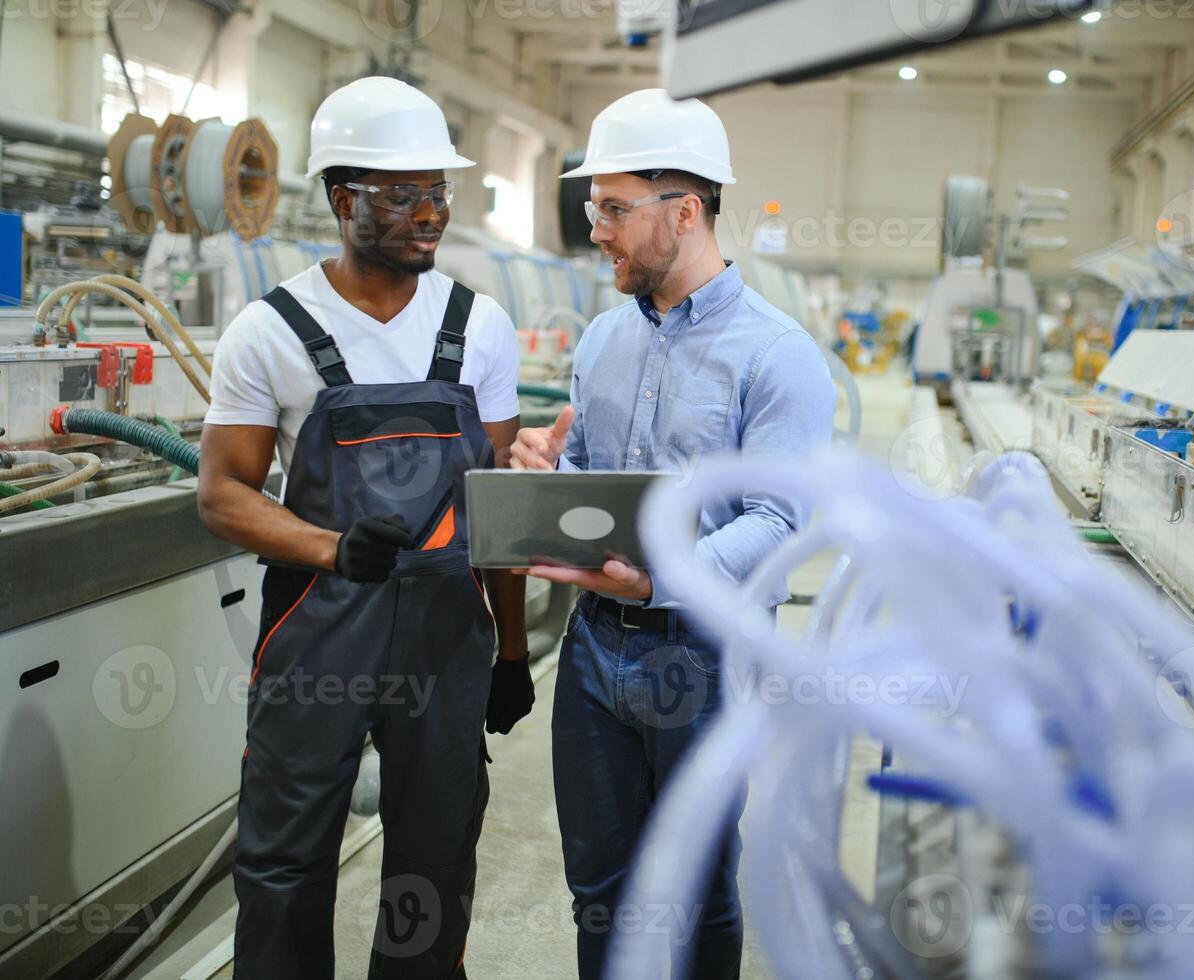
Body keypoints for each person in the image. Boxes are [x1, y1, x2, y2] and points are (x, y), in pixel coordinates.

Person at [197, 77, 534, 979]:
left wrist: (510, 653)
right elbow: (222, 493)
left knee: (434, 853)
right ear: (344, 200)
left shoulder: (480, 326)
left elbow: (495, 506)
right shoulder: (270, 332)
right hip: (320, 632)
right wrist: (328, 548)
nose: (429, 216)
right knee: (283, 856)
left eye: (438, 194)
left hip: (445, 638)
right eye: (403, 195)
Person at [510, 88, 836, 979]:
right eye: (593, 210)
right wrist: (546, 475)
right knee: (601, 890)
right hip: (591, 651)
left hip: (702, 655)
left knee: (692, 892)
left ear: (684, 212)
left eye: (614, 210)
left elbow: (781, 521)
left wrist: (661, 578)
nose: (598, 232)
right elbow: (598, 497)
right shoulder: (603, 343)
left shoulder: (777, 357)